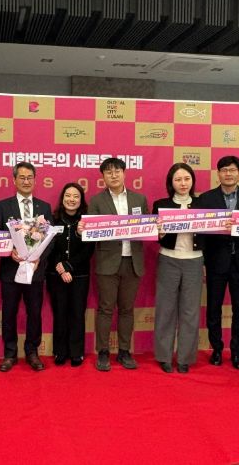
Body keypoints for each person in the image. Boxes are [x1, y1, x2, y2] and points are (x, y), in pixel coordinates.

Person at [85, 157, 148, 371]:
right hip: (107, 262)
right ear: (103, 176)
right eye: (109, 172)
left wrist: (155, 227)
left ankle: (124, 351)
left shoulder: (139, 199)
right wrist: (85, 229)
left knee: (127, 309)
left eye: (117, 171)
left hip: (133, 261)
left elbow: (146, 229)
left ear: (124, 173)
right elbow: (92, 233)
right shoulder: (96, 201)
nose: (113, 175)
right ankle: (103, 351)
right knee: (105, 309)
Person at [0, 162, 53, 372]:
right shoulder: (3, 206)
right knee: (9, 312)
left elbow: (50, 239)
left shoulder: (44, 207)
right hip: (11, 270)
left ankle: (32, 351)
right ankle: (10, 353)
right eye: (22, 177)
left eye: (30, 177)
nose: (26, 181)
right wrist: (10, 251)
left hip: (35, 271)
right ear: (14, 180)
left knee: (34, 312)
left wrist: (38, 258)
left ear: (35, 180)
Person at [197, 156, 239, 370]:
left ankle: (238, 352)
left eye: (232, 170)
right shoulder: (206, 199)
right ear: (218, 174)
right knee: (214, 308)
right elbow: (201, 233)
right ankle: (217, 349)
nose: (228, 174)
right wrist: (203, 261)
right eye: (224, 170)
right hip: (215, 262)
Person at [152, 163, 204, 373]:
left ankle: (185, 358)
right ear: (171, 183)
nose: (183, 183)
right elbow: (155, 236)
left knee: (190, 311)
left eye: (187, 179)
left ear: (192, 181)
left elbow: (210, 234)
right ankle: (164, 356)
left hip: (194, 261)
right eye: (178, 179)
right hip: (168, 259)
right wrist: (159, 232)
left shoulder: (202, 204)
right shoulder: (161, 205)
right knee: (165, 310)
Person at [46, 183, 94, 367]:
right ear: (62, 198)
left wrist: (69, 266)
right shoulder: (53, 220)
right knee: (59, 312)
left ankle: (76, 352)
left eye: (76, 196)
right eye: (68, 195)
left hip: (79, 276)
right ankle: (60, 351)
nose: (71, 199)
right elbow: (48, 247)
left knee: (77, 313)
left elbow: (89, 250)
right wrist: (60, 267)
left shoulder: (86, 222)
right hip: (56, 275)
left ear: (81, 200)